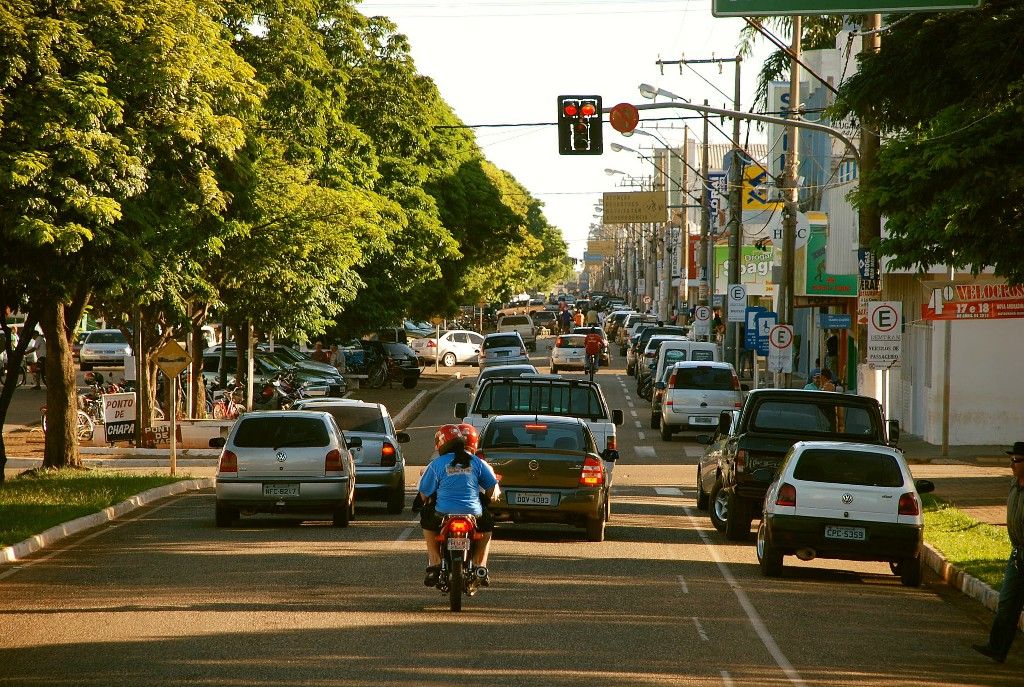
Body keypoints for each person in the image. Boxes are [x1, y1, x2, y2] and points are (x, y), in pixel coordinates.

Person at [418, 423, 499, 588]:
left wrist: (427, 502)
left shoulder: (437, 464)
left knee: (427, 525)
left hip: (443, 512)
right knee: (487, 529)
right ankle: (479, 565)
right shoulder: (476, 461)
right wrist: (485, 500)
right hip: (473, 512)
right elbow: (491, 486)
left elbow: (424, 493)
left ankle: (435, 563)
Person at [973, 441, 1024, 664]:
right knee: (1007, 603)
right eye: (1011, 460)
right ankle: (997, 648)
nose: (1012, 464)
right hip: (1017, 554)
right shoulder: (1014, 485)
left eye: (1017, 461)